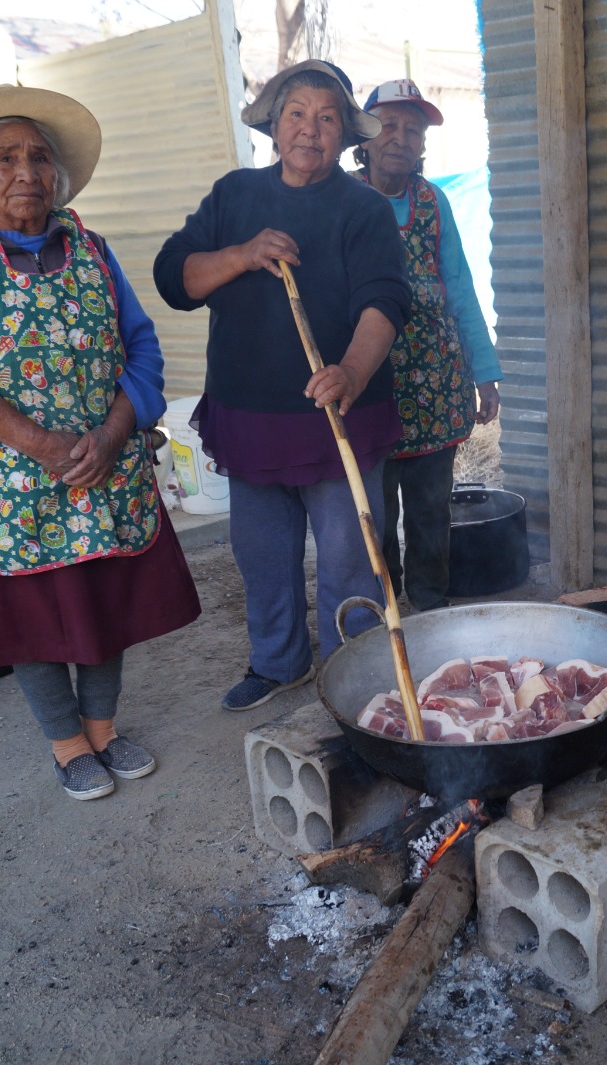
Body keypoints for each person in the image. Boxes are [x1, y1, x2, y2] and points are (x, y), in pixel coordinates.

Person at [0, 85, 202, 800]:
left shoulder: (94, 252)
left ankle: (104, 731)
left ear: (58, 176)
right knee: (32, 616)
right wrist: (41, 444)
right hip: (11, 485)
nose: (26, 172)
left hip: (105, 467)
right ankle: (67, 742)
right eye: (5, 158)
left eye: (39, 157)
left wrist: (111, 433)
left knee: (107, 600)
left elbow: (142, 349)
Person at [154, 60, 410, 712]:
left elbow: (385, 302)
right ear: (273, 123)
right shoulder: (235, 195)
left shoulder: (365, 209)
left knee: (351, 557)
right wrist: (242, 254)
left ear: (345, 134)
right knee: (262, 556)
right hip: (250, 420)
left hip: (338, 417)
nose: (310, 129)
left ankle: (354, 676)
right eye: (297, 113)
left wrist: (350, 370)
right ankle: (279, 663)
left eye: (327, 118)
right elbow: (173, 278)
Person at [352, 79, 502, 612]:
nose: (400, 137)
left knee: (430, 507)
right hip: (372, 385)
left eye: (412, 129)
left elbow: (459, 285)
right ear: (363, 135)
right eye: (388, 124)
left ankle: (431, 604)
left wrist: (484, 371)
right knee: (374, 510)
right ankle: (388, 609)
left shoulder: (432, 201)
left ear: (422, 145)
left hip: (438, 383)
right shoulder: (341, 197)